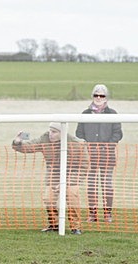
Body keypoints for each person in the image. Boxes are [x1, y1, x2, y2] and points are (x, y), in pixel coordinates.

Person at [12, 122, 89, 235]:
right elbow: (30, 145)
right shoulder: (44, 139)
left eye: (54, 132)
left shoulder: (77, 144)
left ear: (62, 133)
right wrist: (18, 143)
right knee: (48, 199)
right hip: (53, 175)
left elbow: (84, 166)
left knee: (72, 198)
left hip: (72, 175)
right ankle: (54, 225)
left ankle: (75, 227)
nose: (50, 134)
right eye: (50, 131)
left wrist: (67, 182)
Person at [76, 84, 123, 223]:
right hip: (89, 156)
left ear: (106, 98)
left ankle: (108, 214)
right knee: (91, 184)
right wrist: (87, 145)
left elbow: (118, 134)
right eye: (96, 95)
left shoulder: (113, 114)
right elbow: (79, 133)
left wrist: (104, 146)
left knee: (106, 184)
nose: (98, 98)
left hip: (107, 155)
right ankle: (92, 214)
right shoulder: (85, 114)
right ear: (92, 96)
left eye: (101, 95)